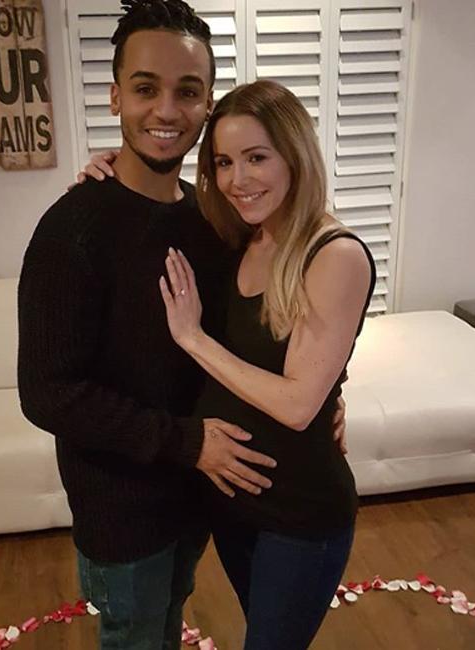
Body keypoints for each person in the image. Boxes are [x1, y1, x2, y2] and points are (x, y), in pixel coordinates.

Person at [19, 2, 346, 649]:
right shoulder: (72, 230)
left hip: (202, 498)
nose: (166, 110)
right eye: (146, 88)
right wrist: (187, 442)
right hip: (125, 512)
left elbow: (267, 322)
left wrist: (328, 388)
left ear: (207, 107)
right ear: (116, 96)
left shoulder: (213, 220)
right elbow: (48, 393)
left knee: (165, 629)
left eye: (188, 91)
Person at [79, 80, 375, 649]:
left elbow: (297, 404)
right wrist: (105, 177)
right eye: (223, 162)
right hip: (233, 505)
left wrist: (193, 338)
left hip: (299, 513)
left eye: (257, 157)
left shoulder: (334, 255)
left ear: (295, 156)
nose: (238, 179)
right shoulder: (240, 237)